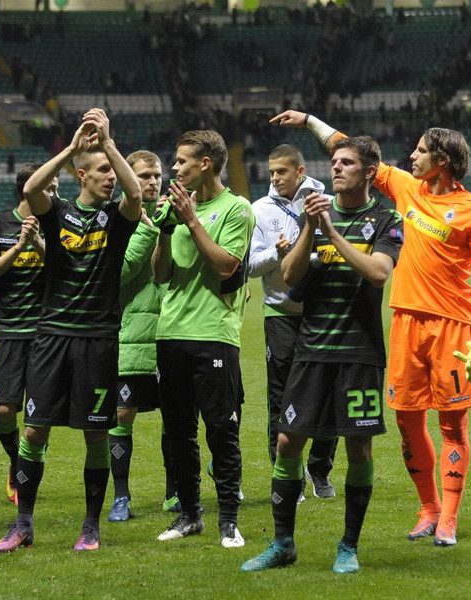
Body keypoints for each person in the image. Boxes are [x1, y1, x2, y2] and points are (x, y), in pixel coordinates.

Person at [271, 109, 471, 547]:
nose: (411, 156)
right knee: (407, 422)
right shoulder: (406, 189)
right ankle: (428, 508)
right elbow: (351, 149)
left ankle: (450, 517)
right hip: (403, 322)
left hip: (452, 327)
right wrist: (307, 120)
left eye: (420, 150)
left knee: (454, 427)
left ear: (443, 160)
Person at [241, 136, 402, 574]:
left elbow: (377, 274)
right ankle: (282, 544)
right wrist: (312, 227)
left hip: (359, 353)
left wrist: (329, 229)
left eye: (347, 162)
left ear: (370, 171)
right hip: (310, 348)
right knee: (288, 440)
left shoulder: (386, 220)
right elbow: (289, 277)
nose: (337, 168)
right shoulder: (313, 214)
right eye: (334, 162)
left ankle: (348, 546)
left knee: (359, 448)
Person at [0, 109, 142, 553]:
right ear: (81, 174)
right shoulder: (56, 213)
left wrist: (110, 146)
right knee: (34, 430)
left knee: (96, 434)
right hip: (51, 337)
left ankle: (91, 526)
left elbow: (135, 194)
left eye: (111, 171)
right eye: (101, 171)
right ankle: (22, 523)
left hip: (98, 340)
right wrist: (71, 148)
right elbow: (31, 188)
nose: (111, 177)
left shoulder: (116, 220)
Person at [152, 130, 253, 549]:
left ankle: (228, 519)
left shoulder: (237, 209)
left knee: (220, 432)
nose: (174, 169)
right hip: (170, 333)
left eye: (181, 161)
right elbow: (160, 275)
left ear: (206, 163)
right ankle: (190, 515)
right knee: (178, 432)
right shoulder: (175, 211)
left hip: (213, 335)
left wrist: (191, 221)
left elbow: (227, 266)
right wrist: (163, 228)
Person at [247, 144, 338, 500]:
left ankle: (319, 468)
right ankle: (287, 475)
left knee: (327, 395)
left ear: (299, 171)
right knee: (281, 397)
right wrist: (277, 253)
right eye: (271, 172)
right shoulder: (259, 210)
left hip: (320, 314)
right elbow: (250, 265)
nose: (274, 178)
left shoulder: (323, 202)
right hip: (279, 313)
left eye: (281, 172)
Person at [0, 165, 50, 505]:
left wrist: (38, 242)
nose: (53, 194)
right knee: (5, 411)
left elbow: (68, 268)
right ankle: (14, 462)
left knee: (38, 416)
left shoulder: (56, 222)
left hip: (45, 333)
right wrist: (19, 247)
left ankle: (26, 472)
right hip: (7, 332)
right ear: (29, 191)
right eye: (48, 188)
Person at [107, 150, 166, 522]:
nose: (153, 182)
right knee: (122, 413)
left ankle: (175, 492)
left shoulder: (171, 213)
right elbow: (122, 271)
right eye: (144, 175)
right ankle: (121, 496)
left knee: (177, 418)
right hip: (130, 334)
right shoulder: (120, 217)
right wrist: (148, 228)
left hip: (172, 331)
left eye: (157, 175)